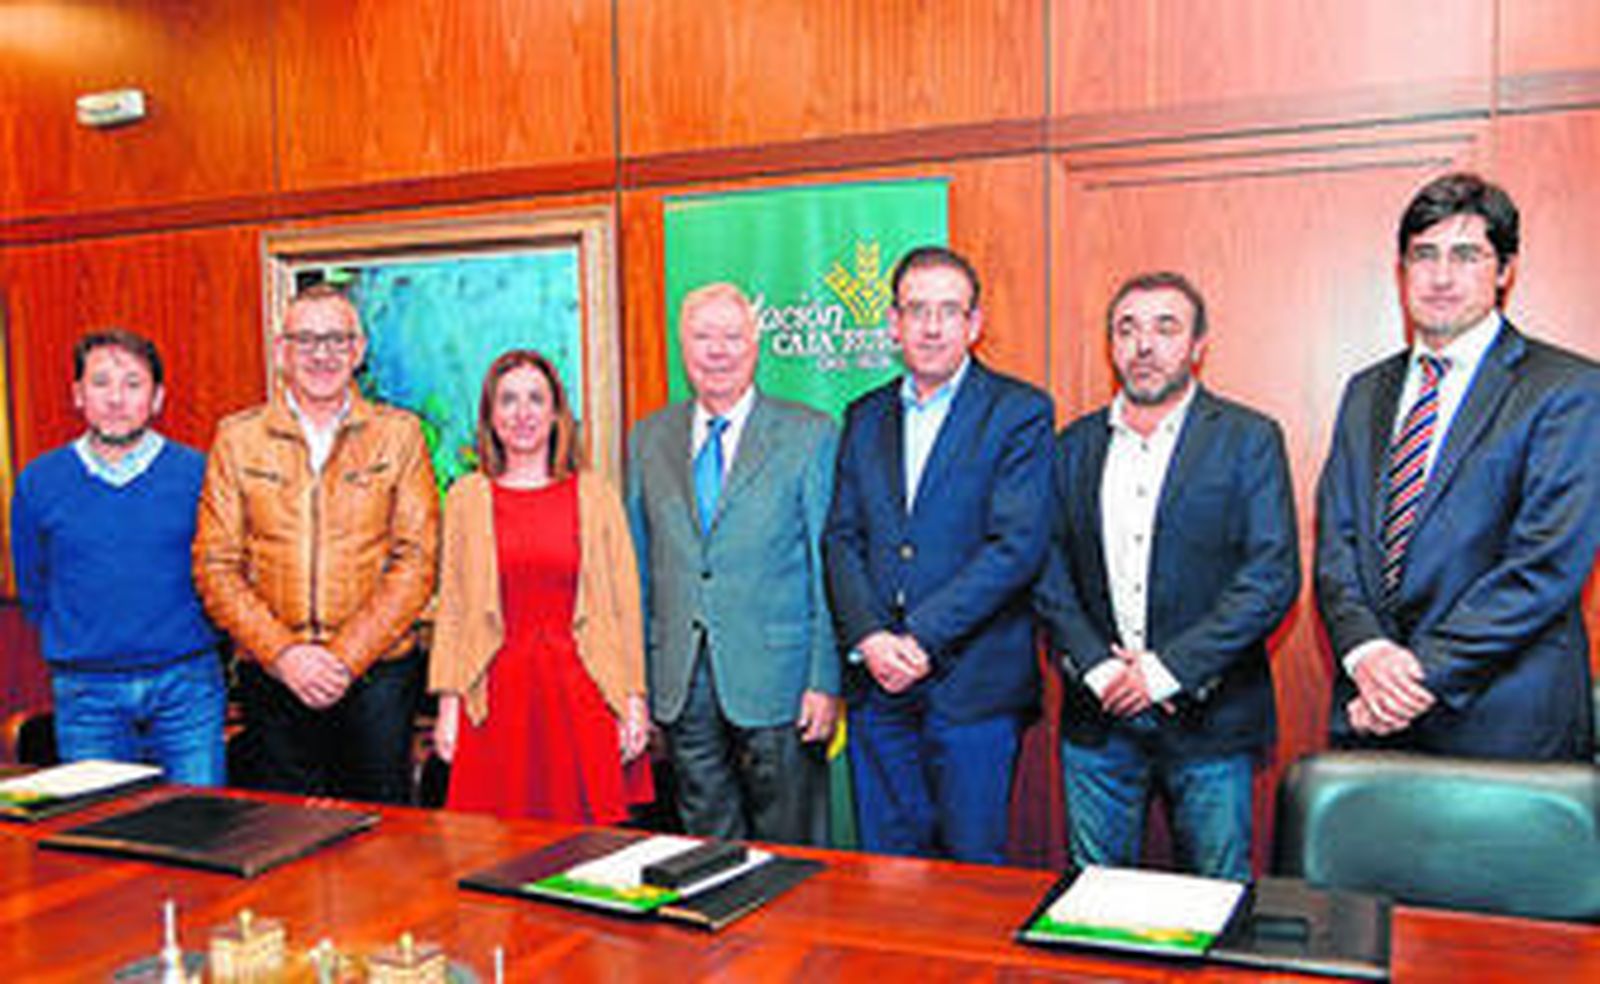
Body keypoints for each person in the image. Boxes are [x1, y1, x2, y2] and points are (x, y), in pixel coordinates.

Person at [1316, 172, 1600, 760]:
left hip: (1507, 724)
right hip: (1373, 716)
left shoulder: (1569, 388)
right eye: (1424, 255)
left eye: (1466, 255)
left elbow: (1544, 564)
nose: (1441, 277)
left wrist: (1414, 678)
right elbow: (1336, 546)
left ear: (1505, 270)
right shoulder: (1366, 390)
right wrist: (1366, 653)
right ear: (1402, 270)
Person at [1033, 272, 1299, 880]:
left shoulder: (1249, 439)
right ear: (1111, 345)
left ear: (1198, 345)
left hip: (1211, 720)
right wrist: (1100, 669)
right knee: (1095, 900)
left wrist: (1161, 672)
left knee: (1218, 896)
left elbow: (1270, 576)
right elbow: (1048, 570)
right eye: (1127, 329)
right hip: (1098, 717)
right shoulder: (1072, 445)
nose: (1144, 344)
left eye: (1165, 327)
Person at [823, 246, 1054, 863]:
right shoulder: (864, 415)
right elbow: (841, 537)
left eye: (948, 311)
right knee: (888, 872)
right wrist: (872, 638)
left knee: (972, 876)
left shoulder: (1020, 411)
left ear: (974, 324)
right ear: (893, 324)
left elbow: (1016, 546)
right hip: (879, 688)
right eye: (916, 310)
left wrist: (920, 639)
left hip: (973, 688)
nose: (931, 327)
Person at [193, 284, 439, 802]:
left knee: (382, 835)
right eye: (306, 340)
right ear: (282, 351)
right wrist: (285, 655)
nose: (321, 354)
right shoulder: (238, 439)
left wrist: (344, 658)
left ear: (358, 350)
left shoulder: (400, 436)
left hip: (377, 676)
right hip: (273, 676)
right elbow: (215, 565)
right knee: (284, 835)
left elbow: (417, 561)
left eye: (336, 339)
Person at [626, 282, 839, 844]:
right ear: (682, 347)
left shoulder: (810, 434)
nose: (717, 351)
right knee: (704, 845)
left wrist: (824, 680)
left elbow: (828, 569)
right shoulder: (648, 439)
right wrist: (637, 684)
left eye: (732, 336)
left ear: (755, 345)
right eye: (703, 337)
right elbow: (638, 572)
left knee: (790, 847)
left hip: (782, 680)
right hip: (681, 679)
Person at [429, 350, 652, 822]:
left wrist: (633, 700)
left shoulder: (595, 494)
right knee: (492, 847)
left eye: (536, 399)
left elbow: (625, 606)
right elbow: (454, 611)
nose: (522, 413)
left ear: (556, 414)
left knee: (587, 848)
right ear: (490, 416)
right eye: (508, 400)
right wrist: (449, 707)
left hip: (582, 692)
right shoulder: (467, 498)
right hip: (494, 698)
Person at [11, 329, 224, 784]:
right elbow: (33, 587)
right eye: (100, 382)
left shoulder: (199, 474)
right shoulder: (39, 480)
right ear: (77, 395)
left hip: (186, 687)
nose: (115, 399)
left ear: (157, 398)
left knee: (199, 819)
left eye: (132, 384)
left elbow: (224, 573)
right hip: (88, 693)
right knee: (99, 820)